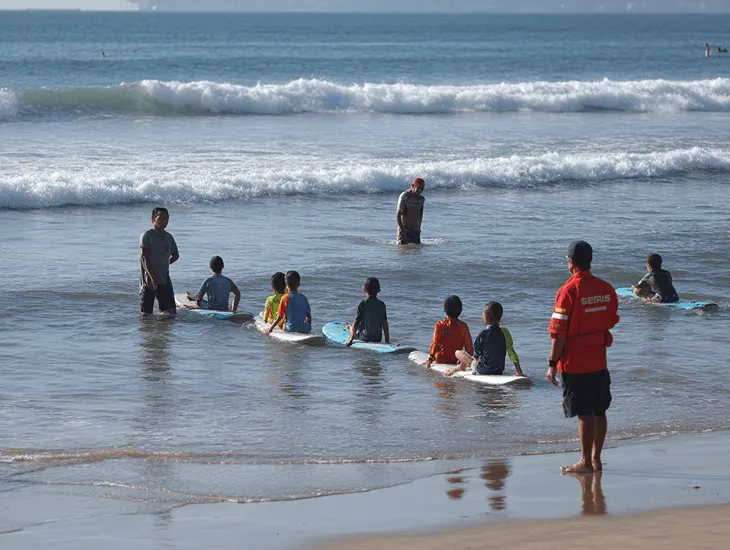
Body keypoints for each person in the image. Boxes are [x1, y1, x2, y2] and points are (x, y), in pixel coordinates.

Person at [547, 241, 619, 474]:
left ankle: (585, 461)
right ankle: (596, 459)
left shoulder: (567, 291)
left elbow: (558, 333)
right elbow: (611, 320)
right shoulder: (606, 288)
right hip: (599, 358)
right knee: (600, 411)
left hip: (576, 362)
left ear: (571, 262)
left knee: (584, 413)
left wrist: (551, 364)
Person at [449, 301, 524, 377]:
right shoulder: (505, 332)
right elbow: (512, 353)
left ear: (486, 317)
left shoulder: (483, 334)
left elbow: (476, 356)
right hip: (499, 370)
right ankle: (462, 367)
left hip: (483, 370)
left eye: (483, 314)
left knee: (458, 352)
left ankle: (461, 367)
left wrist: (472, 368)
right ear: (500, 317)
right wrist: (519, 372)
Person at [140, 207, 179, 315]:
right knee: (146, 315)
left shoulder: (168, 237)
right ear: (153, 219)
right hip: (148, 281)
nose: (164, 221)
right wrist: (153, 278)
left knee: (171, 313)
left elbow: (176, 255)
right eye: (160, 218)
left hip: (164, 279)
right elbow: (144, 258)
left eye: (166, 218)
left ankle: (164, 331)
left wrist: (166, 264)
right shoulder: (147, 236)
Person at [425, 295, 473, 368]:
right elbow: (469, 350)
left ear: (445, 310)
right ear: (460, 310)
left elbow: (435, 344)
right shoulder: (464, 326)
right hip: (455, 361)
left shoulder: (439, 325)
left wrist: (430, 359)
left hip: (439, 360)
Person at [345, 277, 389, 346]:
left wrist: (350, 339)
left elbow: (356, 322)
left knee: (352, 327)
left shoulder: (363, 303)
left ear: (364, 289)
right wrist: (387, 342)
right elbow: (385, 324)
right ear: (379, 290)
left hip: (364, 338)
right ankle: (349, 327)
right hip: (377, 338)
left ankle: (349, 327)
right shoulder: (382, 305)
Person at [396, 177, 425, 244]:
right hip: (404, 229)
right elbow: (398, 214)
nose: (420, 191)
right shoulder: (405, 196)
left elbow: (420, 214)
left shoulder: (421, 199)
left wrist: (419, 228)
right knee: (403, 251)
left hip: (415, 230)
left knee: (417, 251)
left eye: (422, 189)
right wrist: (402, 230)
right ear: (413, 186)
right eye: (418, 188)